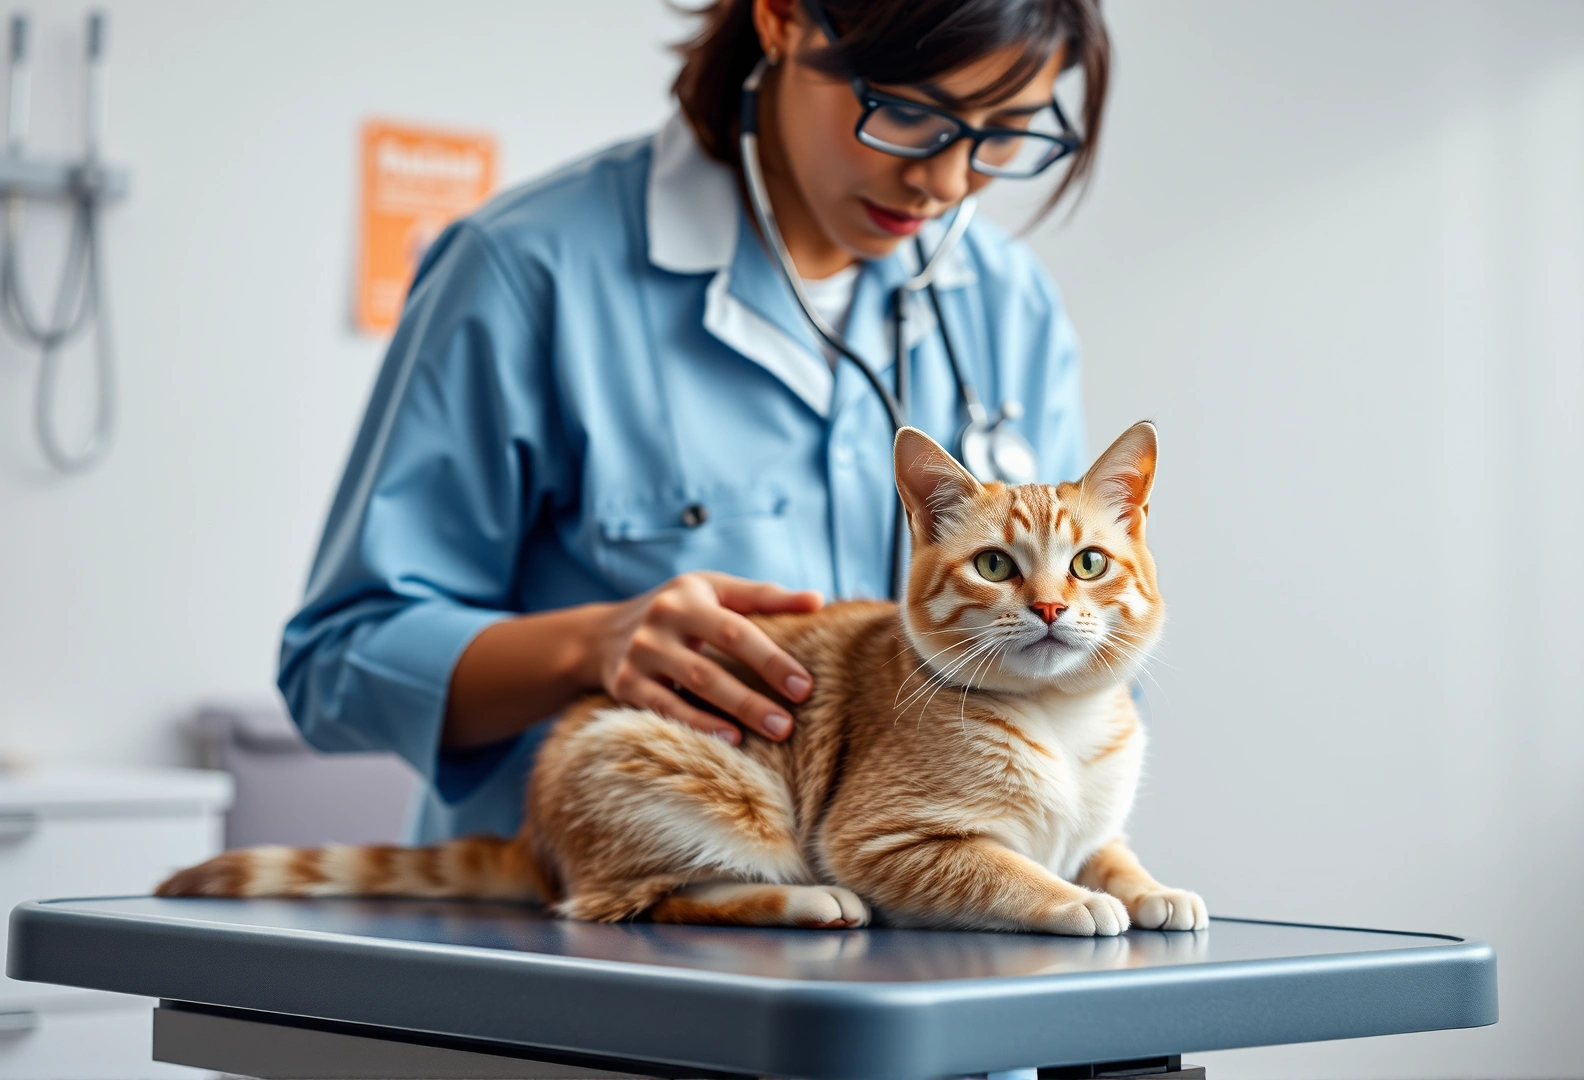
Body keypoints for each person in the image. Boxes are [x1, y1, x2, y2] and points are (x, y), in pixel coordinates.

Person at [279, 0, 1111, 843]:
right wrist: (591, 646)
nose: (948, 179)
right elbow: (337, 662)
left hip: (912, 921)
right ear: (782, 18)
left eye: (1004, 132)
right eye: (905, 111)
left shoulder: (1011, 303)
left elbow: (1090, 636)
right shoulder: (525, 271)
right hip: (577, 926)